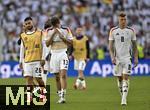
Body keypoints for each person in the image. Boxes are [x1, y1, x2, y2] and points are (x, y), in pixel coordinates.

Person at [109, 12, 138, 105]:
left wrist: (136, 58)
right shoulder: (113, 30)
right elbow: (110, 47)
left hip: (127, 58)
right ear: (118, 20)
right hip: (117, 59)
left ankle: (124, 100)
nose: (123, 21)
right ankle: (123, 96)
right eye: (121, 19)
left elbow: (135, 46)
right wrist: (112, 57)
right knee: (119, 78)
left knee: (125, 78)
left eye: (125, 19)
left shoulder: (131, 31)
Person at [46, 16, 73, 103]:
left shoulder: (66, 29)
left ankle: (63, 97)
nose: (55, 27)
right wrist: (54, 34)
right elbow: (47, 44)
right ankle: (60, 95)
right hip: (54, 54)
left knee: (63, 75)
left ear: (58, 22)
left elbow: (71, 43)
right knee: (57, 77)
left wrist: (63, 38)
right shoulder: (49, 31)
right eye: (53, 25)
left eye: (56, 25)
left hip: (63, 53)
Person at [19, 17, 46, 102]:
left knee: (38, 79)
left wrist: (43, 58)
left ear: (32, 23)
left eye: (29, 23)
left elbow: (44, 46)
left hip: (37, 60)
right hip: (27, 61)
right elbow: (22, 49)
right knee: (28, 79)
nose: (28, 25)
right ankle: (29, 96)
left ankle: (43, 94)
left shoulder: (40, 33)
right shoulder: (23, 35)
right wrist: (20, 61)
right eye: (26, 24)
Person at [41, 19, 51, 85]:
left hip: (51, 53)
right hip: (45, 53)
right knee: (44, 70)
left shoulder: (52, 33)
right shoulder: (42, 33)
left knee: (44, 71)